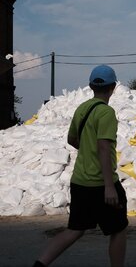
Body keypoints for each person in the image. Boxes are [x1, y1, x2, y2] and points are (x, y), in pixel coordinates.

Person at [33, 65, 128, 267]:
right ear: (113, 87)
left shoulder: (82, 109)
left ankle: (40, 264)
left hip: (80, 183)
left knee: (75, 230)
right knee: (118, 230)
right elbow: (104, 147)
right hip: (101, 184)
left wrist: (86, 149)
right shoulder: (106, 113)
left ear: (91, 86)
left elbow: (72, 139)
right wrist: (110, 187)